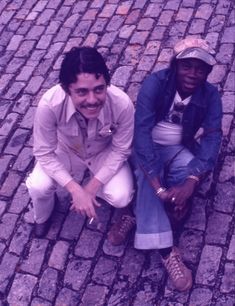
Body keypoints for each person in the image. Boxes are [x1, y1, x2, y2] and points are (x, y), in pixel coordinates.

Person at [133, 37, 222, 291]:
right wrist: (158, 187)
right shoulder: (155, 84)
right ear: (175, 66)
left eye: (201, 68)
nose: (193, 74)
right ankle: (166, 250)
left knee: (192, 169)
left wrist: (191, 182)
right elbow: (141, 133)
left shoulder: (211, 95)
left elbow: (213, 137)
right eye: (187, 66)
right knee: (148, 176)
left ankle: (136, 211)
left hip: (178, 148)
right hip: (145, 146)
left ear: (208, 71)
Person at [26, 46, 135, 245]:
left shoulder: (123, 104)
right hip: (67, 150)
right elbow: (44, 152)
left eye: (99, 89)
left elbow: (121, 149)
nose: (92, 100)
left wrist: (91, 188)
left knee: (122, 196)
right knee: (39, 187)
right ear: (67, 90)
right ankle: (42, 216)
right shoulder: (49, 105)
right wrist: (75, 190)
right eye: (82, 92)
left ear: (107, 84)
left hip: (103, 152)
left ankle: (96, 192)